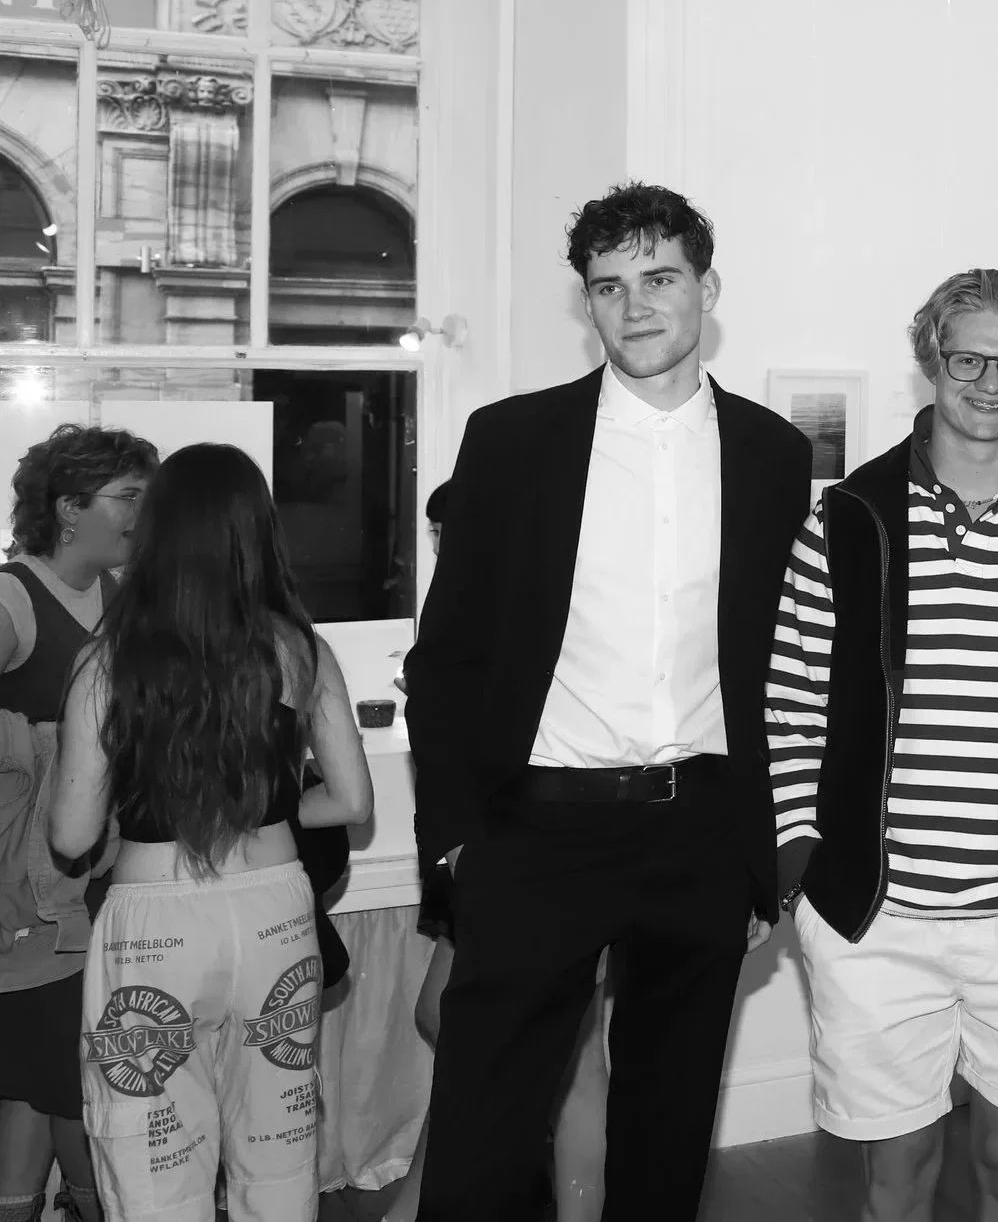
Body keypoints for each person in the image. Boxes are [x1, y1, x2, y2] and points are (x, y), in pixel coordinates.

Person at [404, 184, 811, 1222]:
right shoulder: (512, 441)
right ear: (588, 303)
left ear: (706, 289)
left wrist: (763, 850)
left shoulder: (773, 455)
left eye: (659, 278)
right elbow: (445, 659)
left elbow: (780, 666)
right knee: (480, 1147)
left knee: (667, 1138)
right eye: (609, 287)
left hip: (702, 832)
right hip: (536, 833)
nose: (634, 306)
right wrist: (454, 839)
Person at [766, 268, 998, 1222]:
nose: (989, 382)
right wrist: (802, 852)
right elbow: (793, 695)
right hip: (873, 920)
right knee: (895, 1182)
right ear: (929, 361)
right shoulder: (847, 518)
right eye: (966, 358)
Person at [49, 442, 374, 1221]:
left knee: (152, 1160)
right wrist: (262, 807)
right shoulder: (301, 648)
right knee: (278, 1156)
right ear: (257, 531)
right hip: (275, 916)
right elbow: (353, 800)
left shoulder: (106, 662)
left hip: (154, 926)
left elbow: (71, 834)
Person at [385, 485, 613, 1222]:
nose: (444, 545)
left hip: (544, 856)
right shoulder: (463, 606)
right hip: (482, 856)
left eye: (455, 531)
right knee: (464, 1024)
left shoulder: (536, 607)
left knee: (573, 1053)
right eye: (437, 533)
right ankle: (438, 1191)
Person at [0, 426, 155, 1222]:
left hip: (108, 876)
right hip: (36, 900)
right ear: (68, 507)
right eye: (129, 496)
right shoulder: (15, 597)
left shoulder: (122, 593)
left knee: (66, 1076)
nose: (144, 511)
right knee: (57, 1075)